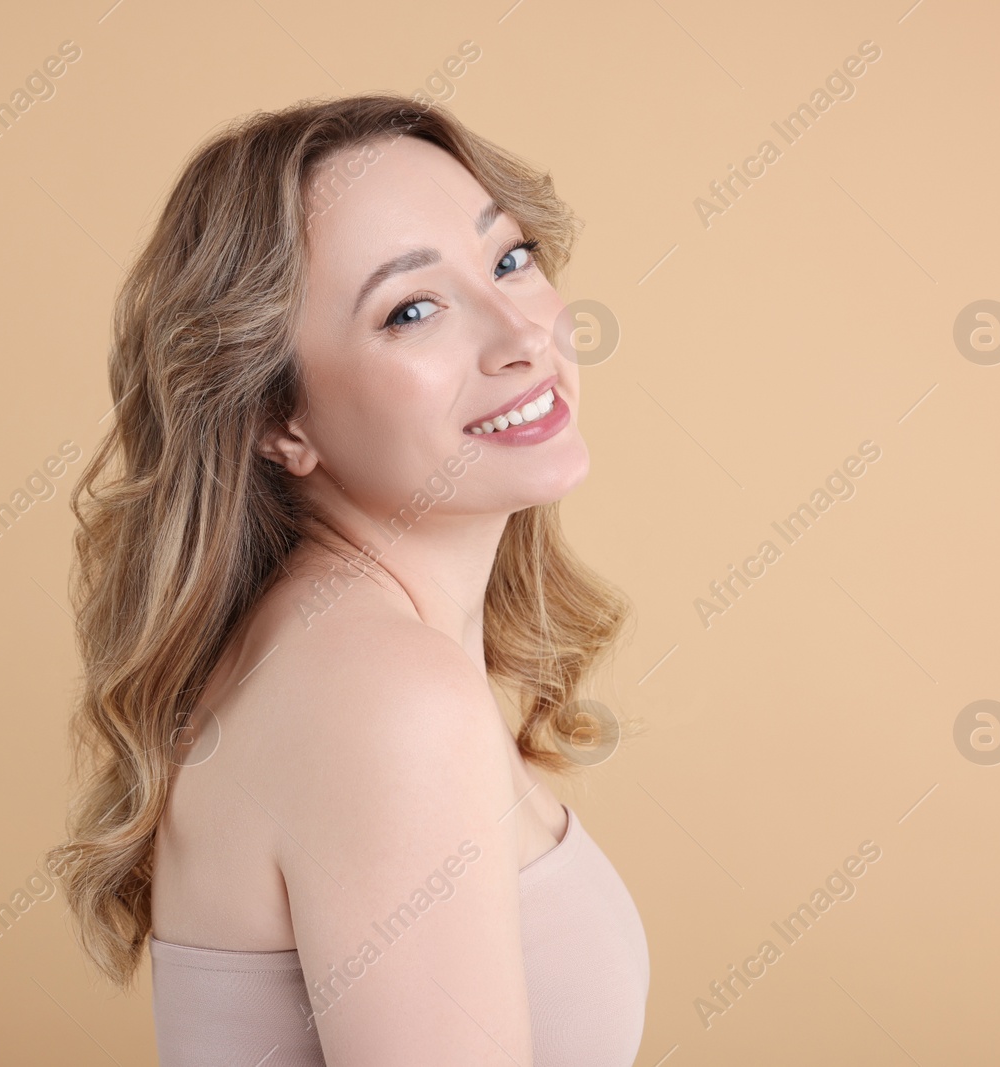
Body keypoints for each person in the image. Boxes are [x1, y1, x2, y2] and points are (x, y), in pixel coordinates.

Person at [47, 92, 648, 1066]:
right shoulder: (384, 693)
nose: (520, 333)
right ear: (277, 417)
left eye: (508, 258)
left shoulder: (348, 651)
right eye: (412, 310)